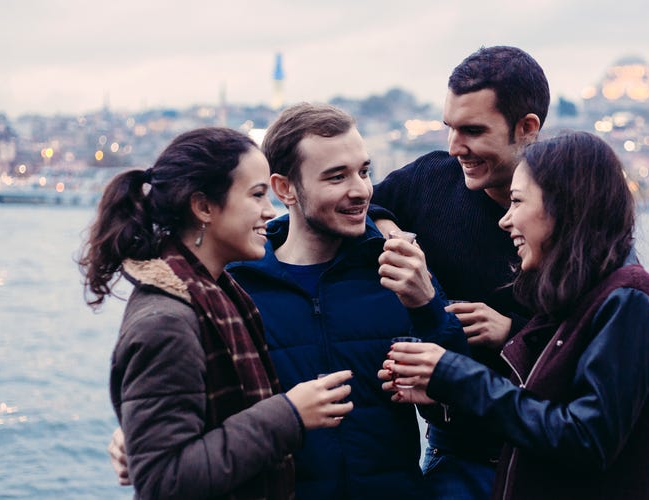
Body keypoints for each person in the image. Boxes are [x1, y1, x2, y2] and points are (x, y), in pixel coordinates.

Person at [381, 131, 649, 499]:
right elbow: (543, 409)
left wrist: (455, 376)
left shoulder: (628, 298)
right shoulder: (583, 297)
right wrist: (442, 387)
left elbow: (586, 439)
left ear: (563, 206)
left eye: (517, 202)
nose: (505, 220)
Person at [81, 127, 353, 499]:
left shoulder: (221, 292)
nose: (269, 211)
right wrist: (288, 414)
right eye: (257, 195)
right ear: (204, 207)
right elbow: (163, 481)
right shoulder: (166, 322)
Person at [225, 103, 466, 499]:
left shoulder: (398, 268)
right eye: (337, 177)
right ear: (285, 188)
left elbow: (465, 399)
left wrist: (427, 307)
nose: (361, 191)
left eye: (364, 171)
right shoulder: (240, 285)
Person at [369, 45, 548, 498]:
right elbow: (365, 205)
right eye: (450, 128)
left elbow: (599, 338)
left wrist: (512, 332)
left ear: (526, 129)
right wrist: (392, 233)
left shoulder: (570, 210)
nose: (454, 147)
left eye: (472, 130)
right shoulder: (434, 177)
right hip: (453, 451)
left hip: (541, 457)